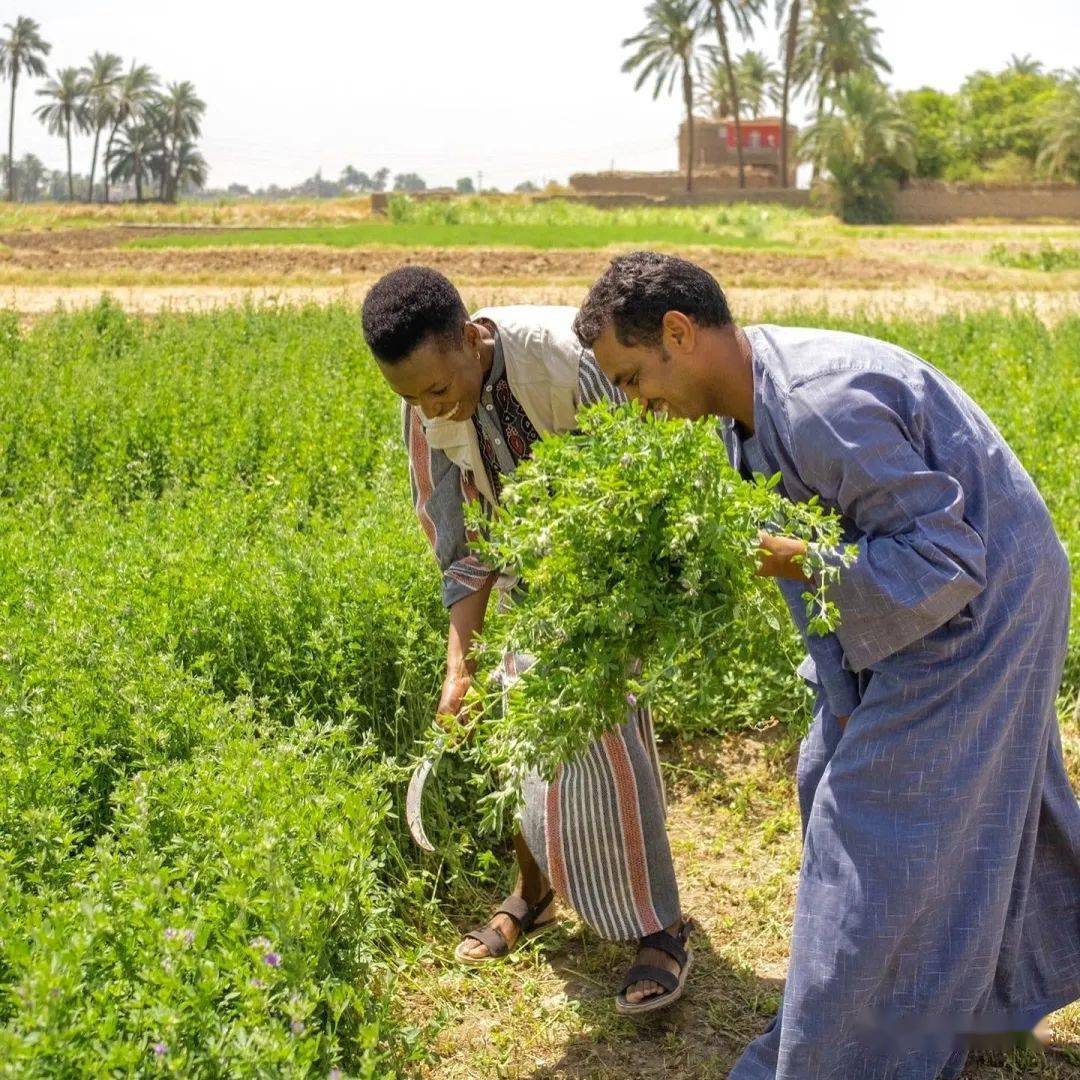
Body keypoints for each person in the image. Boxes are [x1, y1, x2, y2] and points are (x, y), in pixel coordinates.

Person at [572, 250, 1080, 1076]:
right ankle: (948, 1016)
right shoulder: (745, 416)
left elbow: (947, 560)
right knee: (849, 778)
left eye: (632, 378)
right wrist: (838, 685)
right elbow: (824, 568)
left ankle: (836, 1058)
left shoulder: (817, 406)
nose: (634, 402)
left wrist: (792, 558)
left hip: (986, 608)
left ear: (678, 332)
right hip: (934, 599)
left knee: (868, 827)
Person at [361, 266, 692, 1013]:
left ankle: (661, 925)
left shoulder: (567, 361)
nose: (429, 409)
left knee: (604, 731)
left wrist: (606, 598)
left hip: (615, 566)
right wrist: (461, 667)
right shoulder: (426, 410)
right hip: (526, 575)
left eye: (436, 389)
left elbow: (646, 474)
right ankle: (534, 894)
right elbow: (462, 550)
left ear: (468, 339)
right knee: (515, 727)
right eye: (412, 400)